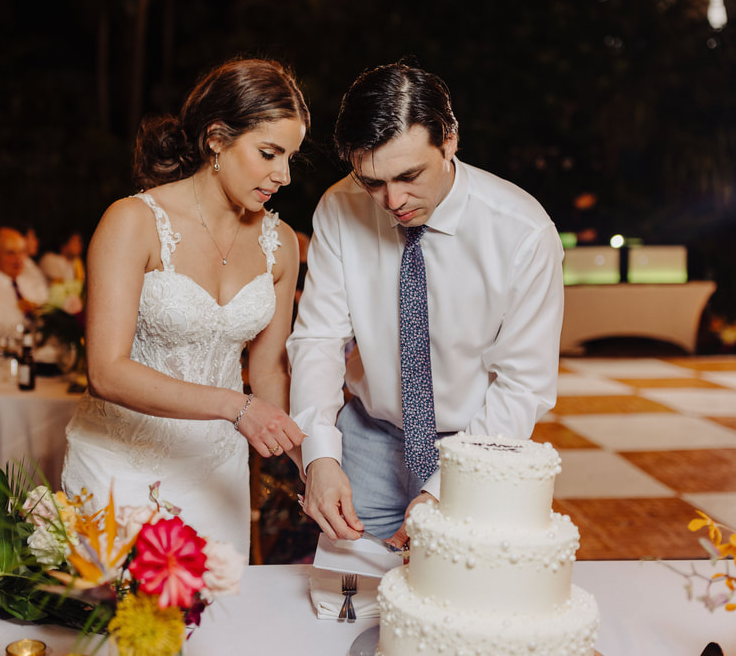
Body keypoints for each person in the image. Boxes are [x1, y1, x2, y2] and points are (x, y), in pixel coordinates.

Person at [288, 61, 564, 549]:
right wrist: (321, 455)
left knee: (457, 611)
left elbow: (522, 385)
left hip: (478, 445)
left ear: (450, 139)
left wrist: (446, 489)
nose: (392, 199)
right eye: (372, 181)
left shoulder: (523, 232)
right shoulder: (338, 207)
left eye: (409, 174)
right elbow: (318, 338)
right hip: (368, 440)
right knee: (354, 604)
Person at [62, 58, 309, 558]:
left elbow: (267, 374)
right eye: (268, 153)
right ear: (217, 139)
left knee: (216, 628)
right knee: (115, 631)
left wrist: (314, 462)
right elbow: (106, 372)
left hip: (216, 473)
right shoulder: (133, 222)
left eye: (290, 158)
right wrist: (233, 407)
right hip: (120, 470)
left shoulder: (281, 243)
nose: (282, 175)